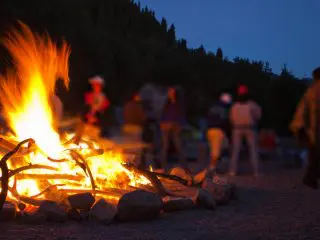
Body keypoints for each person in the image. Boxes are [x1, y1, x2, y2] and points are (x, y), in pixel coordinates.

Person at [290, 67, 320, 189]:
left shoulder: (312, 90)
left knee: (314, 152)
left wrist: (299, 126)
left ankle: (311, 177)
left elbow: (303, 109)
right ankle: (311, 176)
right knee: (315, 153)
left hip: (314, 127)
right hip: (315, 126)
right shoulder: (313, 90)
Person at [229, 84, 262, 177]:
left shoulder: (235, 105)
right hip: (250, 128)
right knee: (253, 150)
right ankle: (256, 172)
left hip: (237, 128)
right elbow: (258, 116)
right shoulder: (252, 104)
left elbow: (231, 118)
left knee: (236, 150)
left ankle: (233, 171)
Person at [160, 87, 188, 172]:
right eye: (169, 92)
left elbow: (181, 114)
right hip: (166, 126)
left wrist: (181, 125)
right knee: (165, 147)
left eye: (172, 92)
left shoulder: (178, 103)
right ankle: (163, 167)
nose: (170, 93)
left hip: (175, 126)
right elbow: (163, 114)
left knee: (179, 146)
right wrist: (162, 123)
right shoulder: (166, 104)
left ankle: (185, 167)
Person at [206, 93, 232, 177]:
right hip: (218, 130)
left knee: (219, 147)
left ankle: (214, 167)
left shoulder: (213, 107)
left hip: (210, 130)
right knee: (216, 151)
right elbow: (224, 121)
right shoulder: (223, 109)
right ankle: (211, 169)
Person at [76, 75, 110, 140]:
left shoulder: (105, 99)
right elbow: (85, 110)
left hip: (97, 125)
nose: (95, 86)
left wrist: (96, 118)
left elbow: (106, 114)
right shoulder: (88, 96)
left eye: (97, 85)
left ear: (101, 86)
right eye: (94, 85)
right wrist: (87, 116)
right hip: (87, 123)